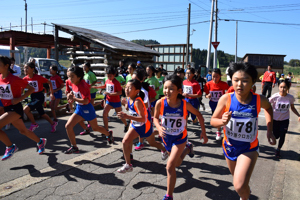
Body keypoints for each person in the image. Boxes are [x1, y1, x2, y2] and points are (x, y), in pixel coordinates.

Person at [210, 62, 276, 200]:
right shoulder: (226, 99)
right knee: (239, 182)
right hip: (230, 147)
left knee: (239, 186)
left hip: (249, 148)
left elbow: (269, 108)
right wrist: (222, 121)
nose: (240, 84)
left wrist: (269, 129)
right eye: (236, 80)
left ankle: (244, 197)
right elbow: (212, 120)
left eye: (245, 81)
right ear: (231, 81)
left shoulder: (259, 100)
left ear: (253, 82)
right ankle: (245, 191)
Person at [153, 74, 207, 200]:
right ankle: (188, 149)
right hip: (167, 138)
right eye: (165, 88)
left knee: (170, 166)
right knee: (177, 163)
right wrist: (159, 127)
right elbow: (155, 118)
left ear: (179, 91)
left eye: (171, 88)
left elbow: (199, 115)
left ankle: (169, 196)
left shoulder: (184, 104)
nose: (167, 91)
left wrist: (203, 132)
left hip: (179, 138)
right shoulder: (159, 103)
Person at [0, 56, 46, 161]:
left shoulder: (15, 79)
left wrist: (19, 99)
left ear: (6, 66)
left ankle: (10, 147)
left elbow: (31, 89)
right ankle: (40, 142)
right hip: (6, 107)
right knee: (23, 131)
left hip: (15, 108)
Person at [117, 79, 168, 173]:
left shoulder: (138, 102)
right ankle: (128, 165)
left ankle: (164, 149)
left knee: (152, 143)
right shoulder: (129, 98)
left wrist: (127, 116)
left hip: (144, 125)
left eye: (130, 88)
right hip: (135, 125)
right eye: (126, 87)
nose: (127, 90)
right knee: (125, 141)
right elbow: (129, 108)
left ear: (137, 91)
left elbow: (142, 118)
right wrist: (125, 104)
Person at [64, 66, 114, 154]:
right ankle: (74, 146)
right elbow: (71, 91)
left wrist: (74, 98)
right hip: (79, 109)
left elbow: (86, 101)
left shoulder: (83, 86)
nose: (70, 78)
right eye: (69, 76)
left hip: (87, 108)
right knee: (68, 126)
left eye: (72, 76)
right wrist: (70, 94)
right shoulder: (72, 82)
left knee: (95, 128)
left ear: (79, 77)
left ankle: (108, 134)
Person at [23, 62, 58, 133]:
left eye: (27, 68)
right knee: (42, 114)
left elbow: (49, 82)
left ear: (32, 69)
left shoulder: (38, 77)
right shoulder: (25, 79)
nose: (25, 69)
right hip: (33, 96)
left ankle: (34, 123)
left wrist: (51, 93)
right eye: (24, 68)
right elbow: (21, 87)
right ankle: (53, 123)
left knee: (26, 109)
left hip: (39, 96)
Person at [269, 79, 300, 158]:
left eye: (284, 87)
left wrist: (299, 115)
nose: (282, 89)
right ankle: (277, 143)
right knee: (276, 136)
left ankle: (278, 149)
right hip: (275, 120)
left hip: (285, 120)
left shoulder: (290, 98)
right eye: (281, 87)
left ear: (288, 88)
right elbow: (267, 104)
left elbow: (292, 108)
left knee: (283, 135)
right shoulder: (275, 96)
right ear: (278, 87)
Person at [94, 66, 129, 132]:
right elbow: (105, 86)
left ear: (114, 75)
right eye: (108, 76)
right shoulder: (107, 80)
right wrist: (97, 87)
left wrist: (110, 94)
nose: (109, 77)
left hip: (116, 101)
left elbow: (120, 92)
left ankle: (126, 124)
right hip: (108, 101)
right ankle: (106, 130)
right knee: (104, 114)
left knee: (119, 115)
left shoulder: (116, 82)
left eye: (110, 76)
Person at [204, 68, 229, 140]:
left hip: (222, 104)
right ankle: (219, 130)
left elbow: (229, 91)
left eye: (216, 76)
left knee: (221, 117)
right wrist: (207, 96)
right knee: (217, 117)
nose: (215, 78)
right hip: (213, 103)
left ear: (220, 76)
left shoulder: (224, 84)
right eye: (213, 76)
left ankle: (219, 131)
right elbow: (206, 94)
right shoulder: (208, 84)